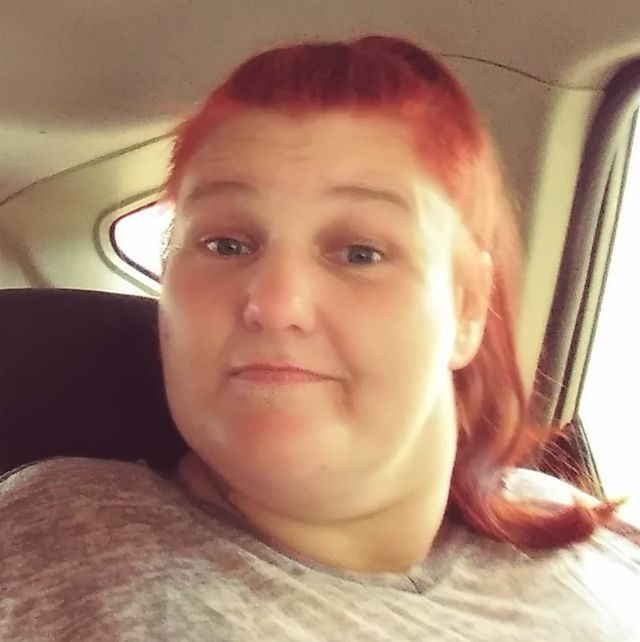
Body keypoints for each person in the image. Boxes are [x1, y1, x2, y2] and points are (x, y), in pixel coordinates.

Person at [1, 36, 639, 641]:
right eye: (225, 244)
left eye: (360, 252)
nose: (275, 305)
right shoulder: (60, 548)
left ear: (467, 305)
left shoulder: (575, 531)